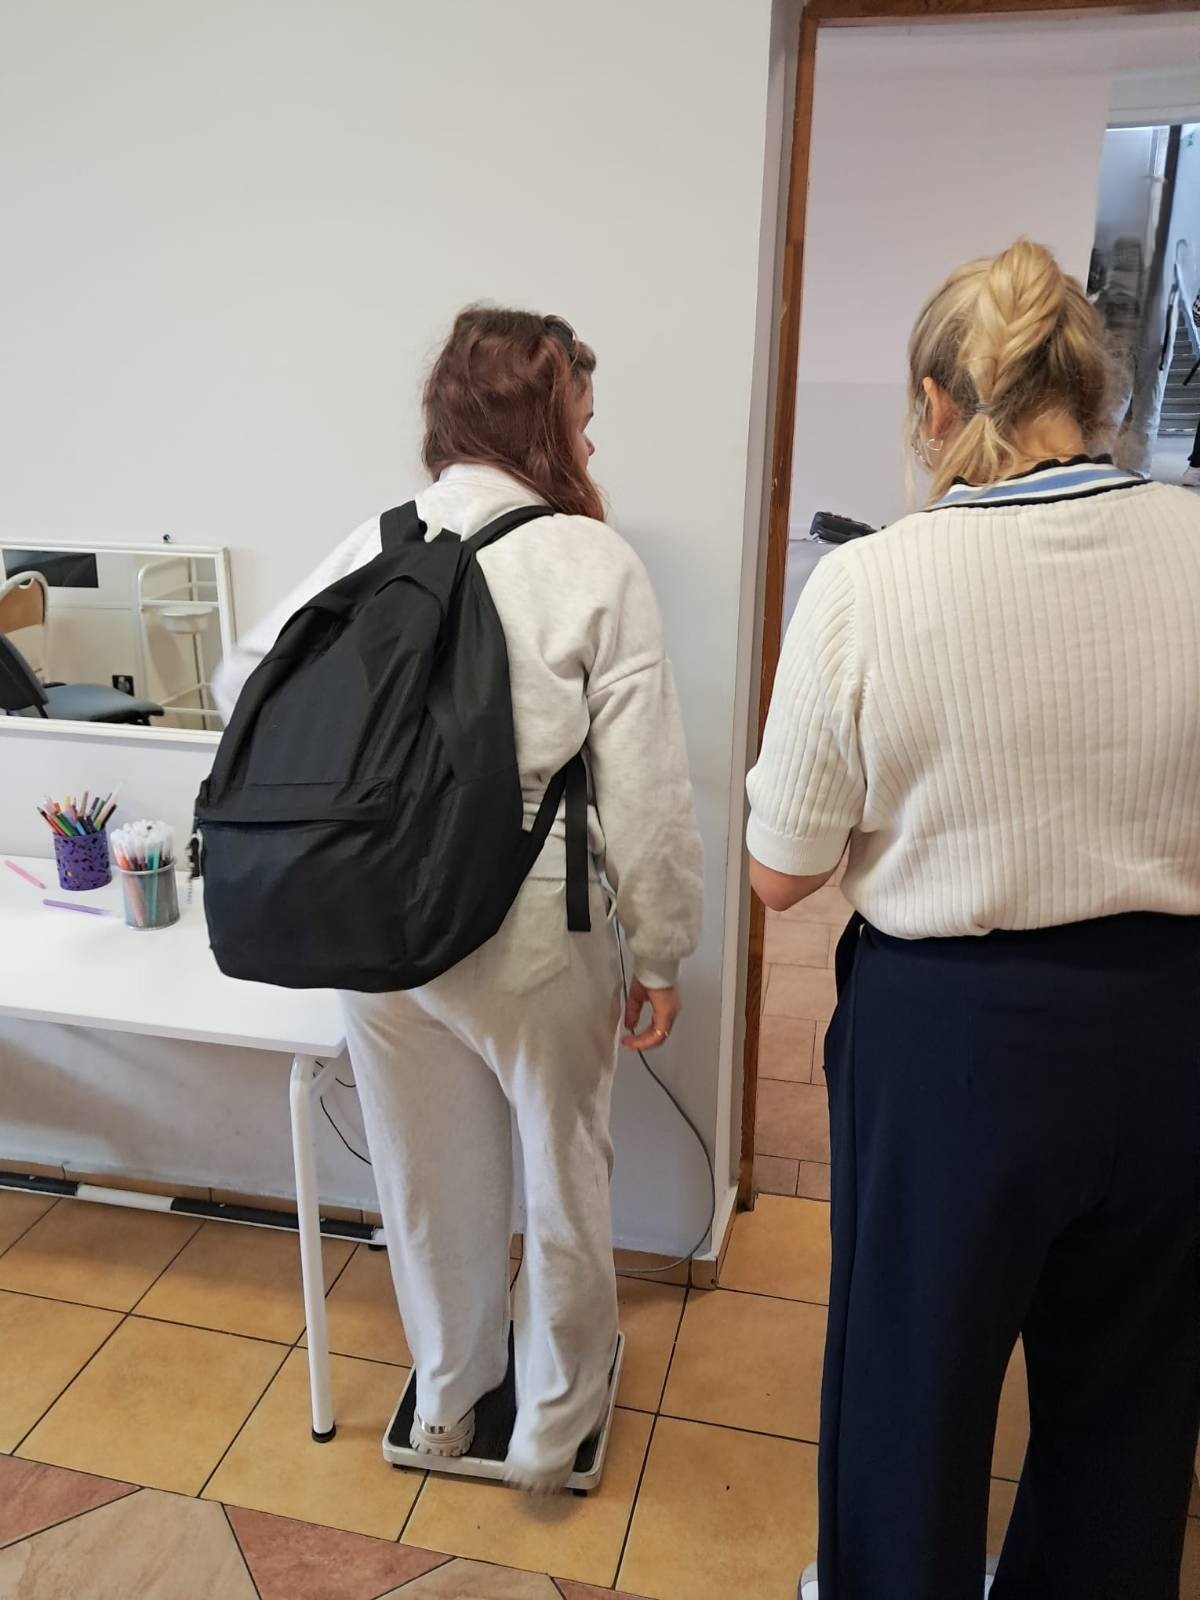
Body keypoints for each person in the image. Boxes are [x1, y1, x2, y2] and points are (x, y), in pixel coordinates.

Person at [747, 240, 1200, 1600]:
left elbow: (780, 871)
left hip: (953, 1045)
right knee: (1134, 1399)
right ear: (1097, 395)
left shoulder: (871, 583)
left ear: (936, 406)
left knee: (913, 1386)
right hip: (1174, 1027)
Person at [215, 307, 703, 1490]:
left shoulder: (375, 539)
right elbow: (646, 791)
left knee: (424, 1175)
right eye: (582, 419)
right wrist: (661, 950)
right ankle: (552, 1423)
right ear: (544, 425)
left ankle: (447, 1400)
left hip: (375, 919)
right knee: (565, 1172)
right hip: (528, 926)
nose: (592, 443)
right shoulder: (592, 559)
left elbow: (244, 682)